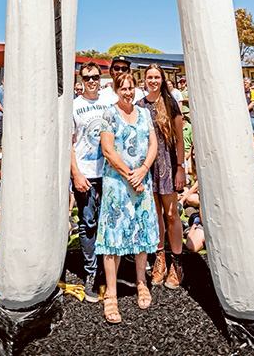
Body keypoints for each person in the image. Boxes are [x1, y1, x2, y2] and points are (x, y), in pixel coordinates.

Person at [95, 72, 158, 323]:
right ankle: (111, 294)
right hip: (117, 185)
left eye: (132, 88)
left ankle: (141, 281)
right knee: (113, 238)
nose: (128, 92)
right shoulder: (109, 114)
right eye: (123, 88)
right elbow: (108, 150)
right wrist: (130, 174)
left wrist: (142, 171)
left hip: (142, 182)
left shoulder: (144, 113)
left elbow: (152, 144)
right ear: (116, 90)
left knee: (141, 233)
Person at [137, 64, 186, 289]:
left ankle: (177, 263)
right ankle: (160, 260)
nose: (153, 80)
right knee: (155, 215)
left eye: (157, 77)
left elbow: (179, 139)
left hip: (168, 164)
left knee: (171, 214)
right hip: (148, 166)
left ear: (162, 79)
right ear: (145, 79)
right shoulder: (139, 106)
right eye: (150, 77)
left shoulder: (171, 103)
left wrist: (180, 167)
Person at [71, 61, 110, 302]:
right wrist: (75, 173)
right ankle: (91, 273)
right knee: (87, 223)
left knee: (110, 220)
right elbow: (68, 143)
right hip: (85, 173)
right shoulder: (74, 107)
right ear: (81, 81)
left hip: (108, 172)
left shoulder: (108, 102)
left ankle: (112, 270)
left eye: (95, 76)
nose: (92, 81)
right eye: (87, 78)